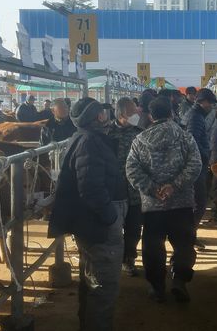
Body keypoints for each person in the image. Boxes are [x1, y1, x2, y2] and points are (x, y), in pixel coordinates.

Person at [49, 97, 126, 331]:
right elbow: (90, 188)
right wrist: (110, 216)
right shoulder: (90, 142)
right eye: (101, 112)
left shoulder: (86, 139)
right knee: (103, 286)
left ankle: (89, 323)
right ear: (95, 117)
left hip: (93, 224)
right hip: (99, 226)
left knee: (92, 280)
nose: (106, 115)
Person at [125, 97, 202, 303]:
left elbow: (132, 170)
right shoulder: (185, 137)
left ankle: (157, 288)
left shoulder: (140, 140)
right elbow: (195, 165)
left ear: (150, 115)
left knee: (153, 246)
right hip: (182, 203)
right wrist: (174, 185)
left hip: (153, 206)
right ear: (171, 113)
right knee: (184, 244)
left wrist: (152, 188)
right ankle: (179, 282)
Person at [107, 98, 143, 277]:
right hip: (113, 191)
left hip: (135, 191)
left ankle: (129, 258)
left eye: (136, 111)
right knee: (113, 227)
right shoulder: (106, 133)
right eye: (132, 112)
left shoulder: (140, 133)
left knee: (134, 228)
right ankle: (112, 259)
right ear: (121, 114)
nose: (137, 115)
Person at [185, 88, 217, 245]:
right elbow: (192, 140)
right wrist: (204, 157)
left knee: (198, 203)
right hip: (197, 167)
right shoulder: (195, 117)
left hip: (198, 165)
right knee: (199, 203)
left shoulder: (196, 115)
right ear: (202, 102)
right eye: (210, 103)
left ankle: (190, 235)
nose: (211, 106)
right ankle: (188, 237)